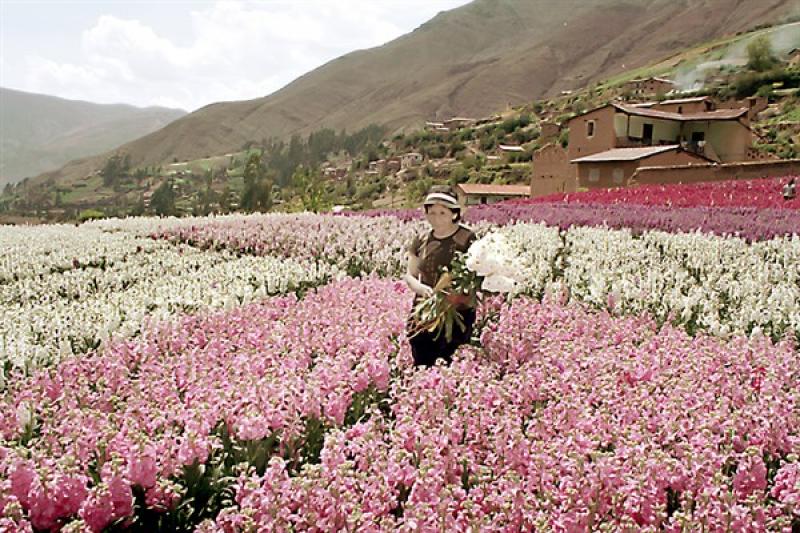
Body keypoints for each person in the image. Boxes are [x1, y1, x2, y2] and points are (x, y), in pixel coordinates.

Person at [404, 185, 476, 367]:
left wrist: (454, 294)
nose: (436, 218)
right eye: (432, 212)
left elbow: (476, 273)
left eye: (442, 213)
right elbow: (409, 275)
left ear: (454, 213)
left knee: (451, 359)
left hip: (456, 311)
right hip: (424, 309)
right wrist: (419, 288)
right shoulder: (421, 240)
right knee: (421, 355)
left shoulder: (467, 238)